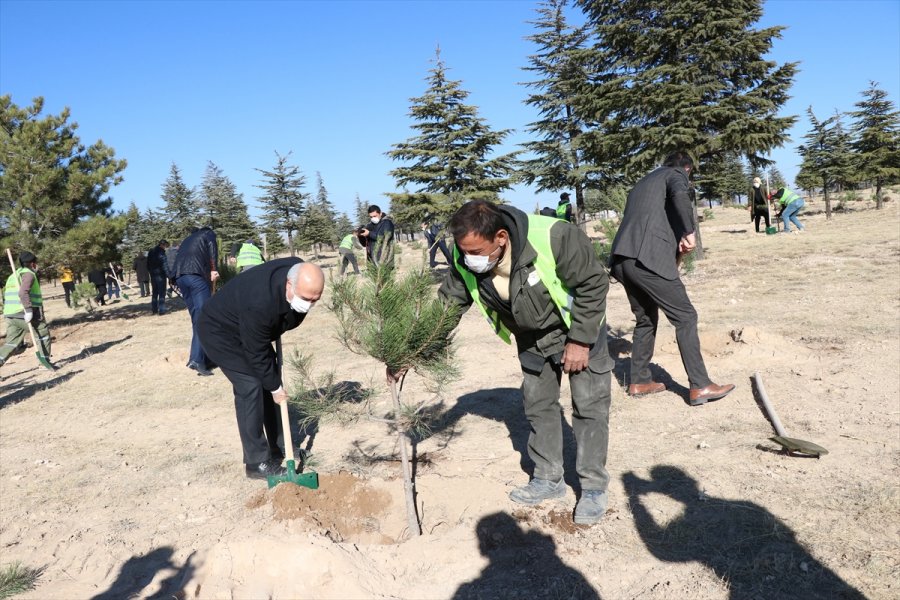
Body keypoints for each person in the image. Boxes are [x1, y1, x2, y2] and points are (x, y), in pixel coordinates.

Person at [436, 200, 614, 525]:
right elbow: (447, 306)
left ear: (501, 237)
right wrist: (419, 347)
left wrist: (580, 340)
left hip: (576, 326)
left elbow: (592, 284)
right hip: (531, 336)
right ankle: (548, 479)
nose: (468, 259)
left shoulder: (555, 237)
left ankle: (593, 488)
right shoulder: (466, 259)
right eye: (464, 251)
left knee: (589, 406)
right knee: (538, 405)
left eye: (476, 251)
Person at [609, 151, 735, 406]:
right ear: (687, 169)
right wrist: (689, 231)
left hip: (622, 258)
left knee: (646, 319)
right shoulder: (676, 175)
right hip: (646, 258)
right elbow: (679, 196)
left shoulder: (643, 183)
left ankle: (640, 381)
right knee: (686, 316)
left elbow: (652, 219)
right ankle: (700, 386)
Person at [197, 259, 325, 480]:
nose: (309, 305)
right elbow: (256, 352)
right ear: (289, 285)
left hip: (251, 327)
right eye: (305, 299)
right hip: (220, 331)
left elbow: (275, 326)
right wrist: (274, 387)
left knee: (269, 379)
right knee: (251, 386)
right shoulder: (259, 301)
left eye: (315, 300)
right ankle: (257, 462)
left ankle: (280, 444)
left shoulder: (299, 271)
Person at [174, 226, 219, 376]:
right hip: (196, 276)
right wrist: (214, 269)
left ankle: (199, 357)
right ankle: (198, 361)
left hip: (181, 277)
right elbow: (212, 250)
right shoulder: (208, 234)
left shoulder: (189, 238)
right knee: (204, 318)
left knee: (196, 318)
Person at [1, 252, 52, 366]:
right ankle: (45, 363)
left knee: (12, 343)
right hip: (23, 311)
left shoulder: (13, 275)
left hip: (10, 313)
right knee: (42, 334)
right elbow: (23, 292)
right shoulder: (28, 274)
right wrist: (28, 311)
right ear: (33, 263)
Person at [147, 240, 171, 315]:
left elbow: (147, 264)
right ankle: (162, 310)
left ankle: (154, 310)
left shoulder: (151, 251)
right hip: (160, 275)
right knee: (161, 292)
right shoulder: (161, 253)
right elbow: (164, 265)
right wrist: (169, 276)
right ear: (163, 245)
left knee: (155, 292)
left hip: (153, 275)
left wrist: (151, 272)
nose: (165, 248)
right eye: (165, 246)